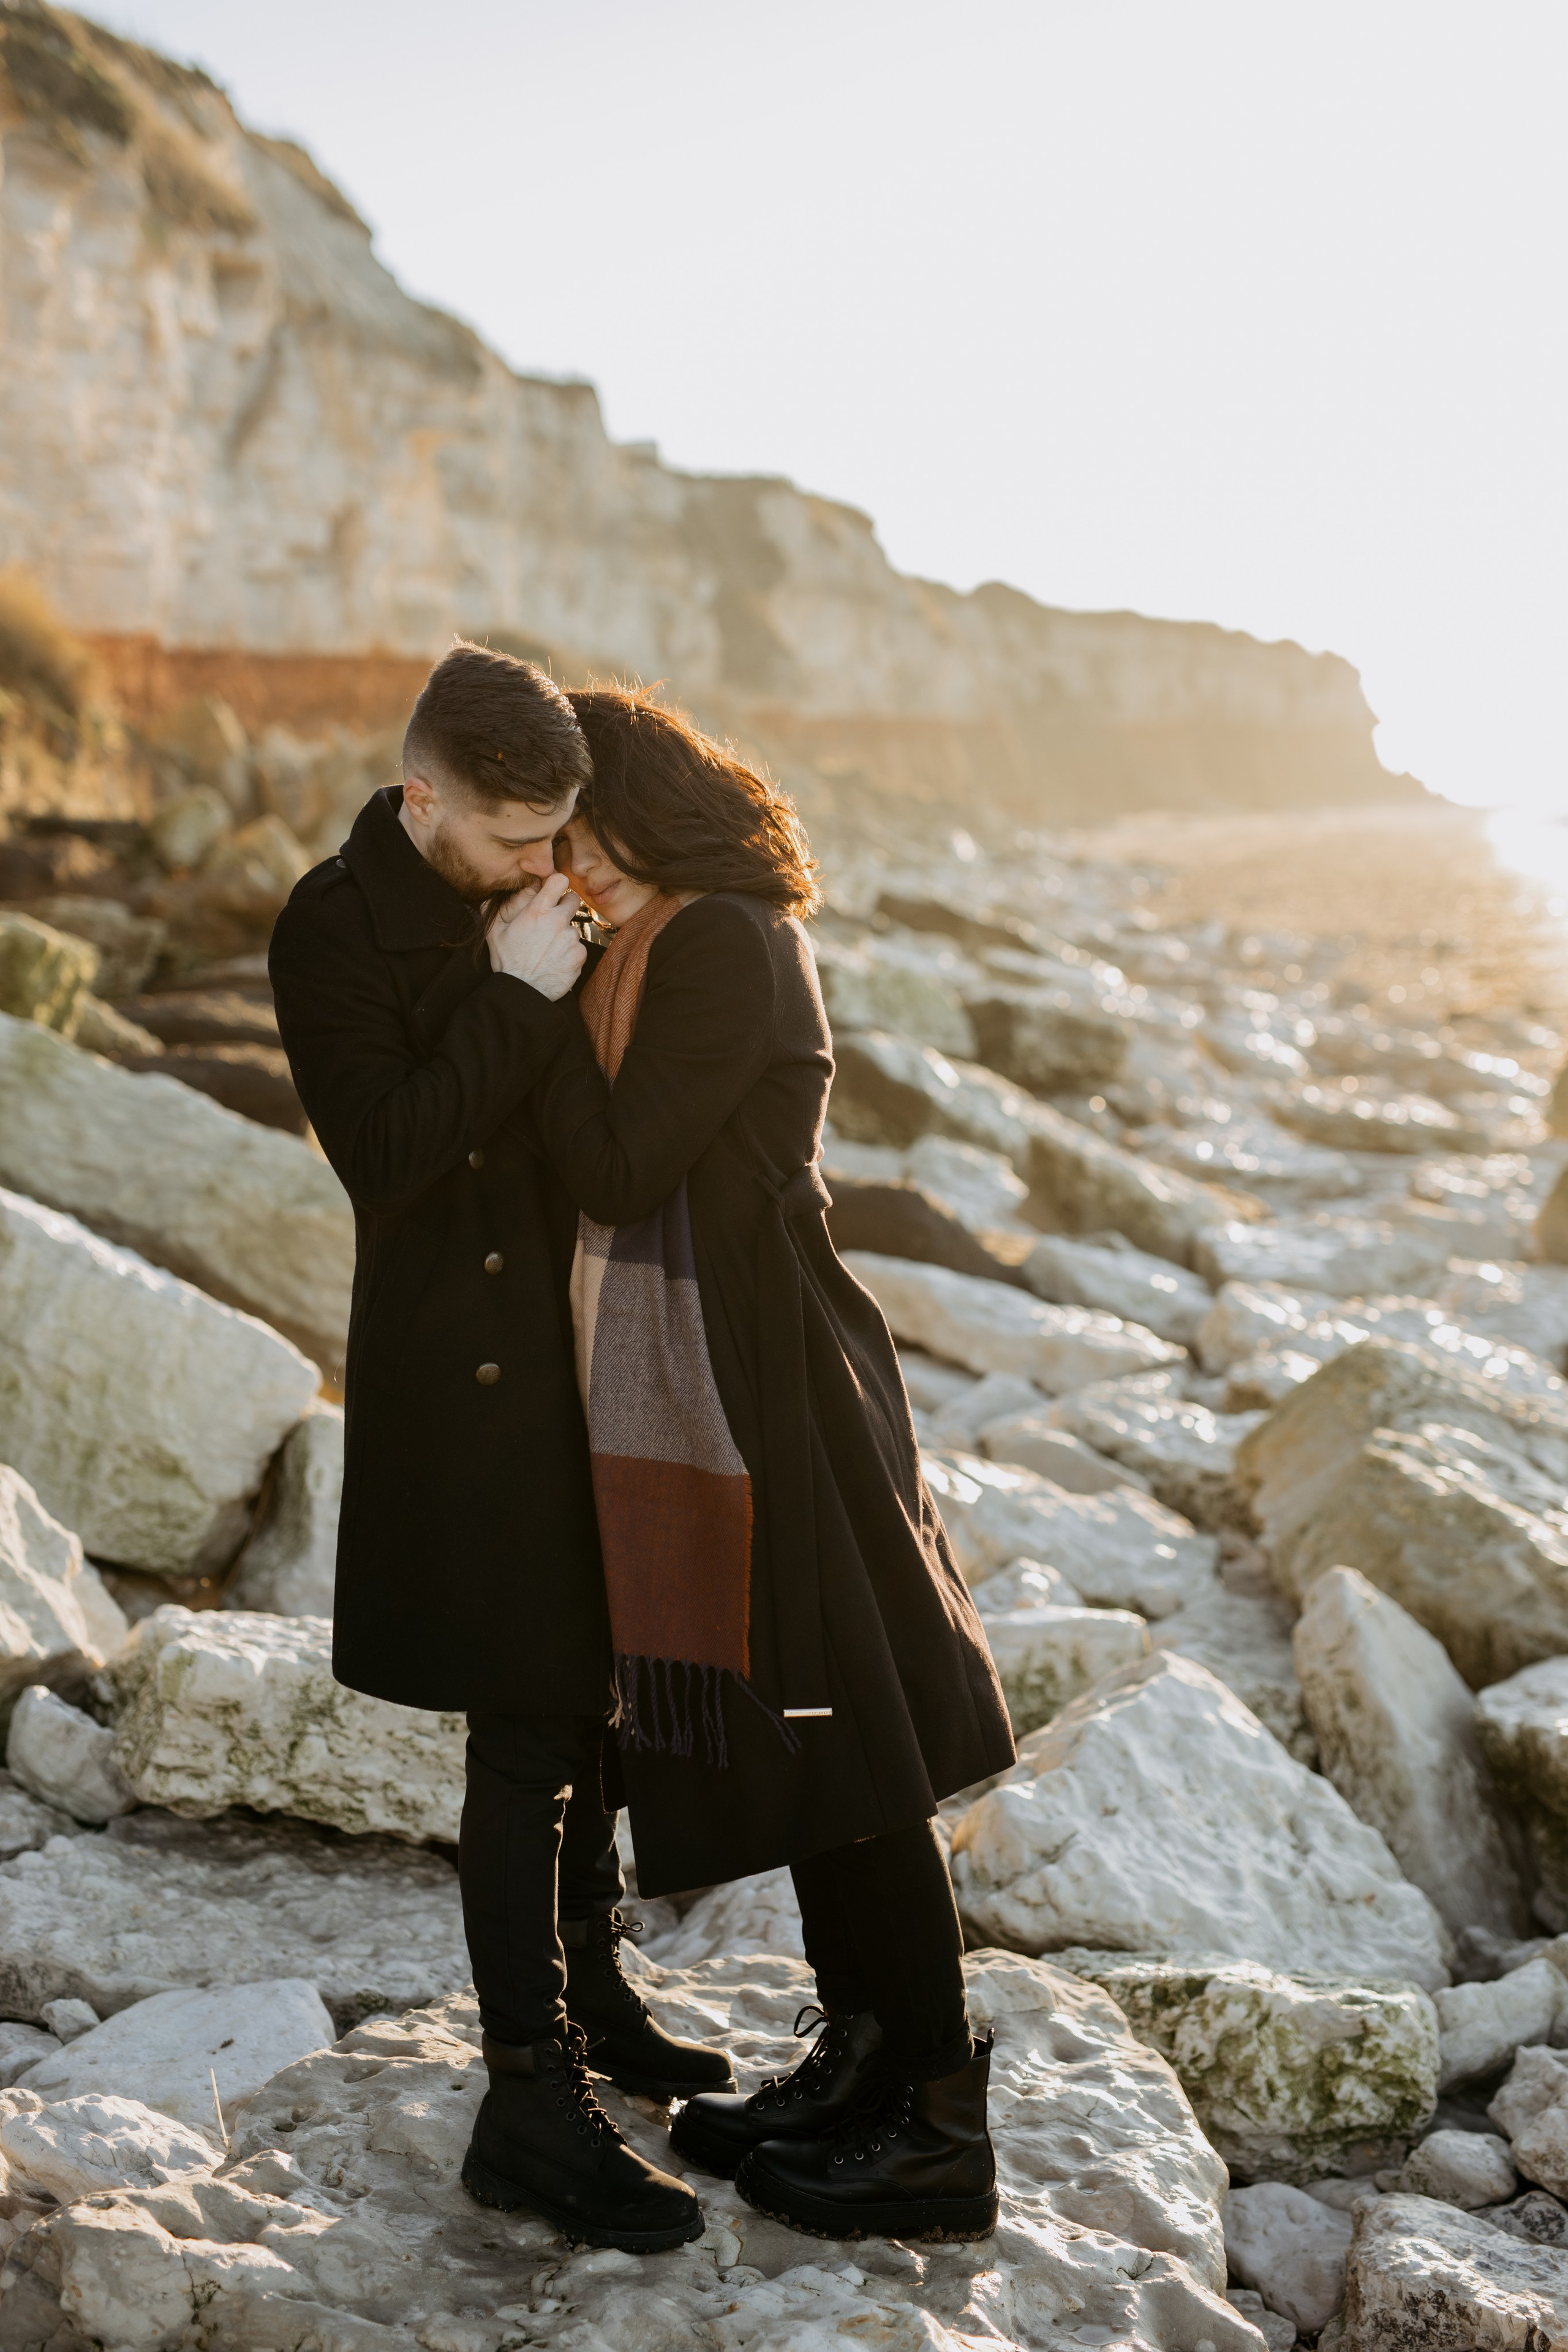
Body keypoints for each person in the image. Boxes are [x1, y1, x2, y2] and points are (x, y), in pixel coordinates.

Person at [504, 683, 1017, 2244]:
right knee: (809, 1741)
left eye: (579, 842)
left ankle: (934, 2120)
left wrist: (524, 1005)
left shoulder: (720, 942)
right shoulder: (677, 937)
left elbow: (613, 1162)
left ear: (641, 813)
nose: (565, 877)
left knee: (843, 1749)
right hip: (741, 1375)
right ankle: (858, 2060)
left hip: (767, 1390)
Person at [268, 644, 731, 2260]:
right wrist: (513, 990)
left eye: (562, 838)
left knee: (595, 1699)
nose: (550, 871)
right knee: (525, 1732)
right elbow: (389, 1153)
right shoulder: (330, 929)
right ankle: (525, 2107)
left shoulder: (539, 895)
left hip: (595, 1347)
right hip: (461, 1385)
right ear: (422, 800)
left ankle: (595, 2003)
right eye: (516, 839)